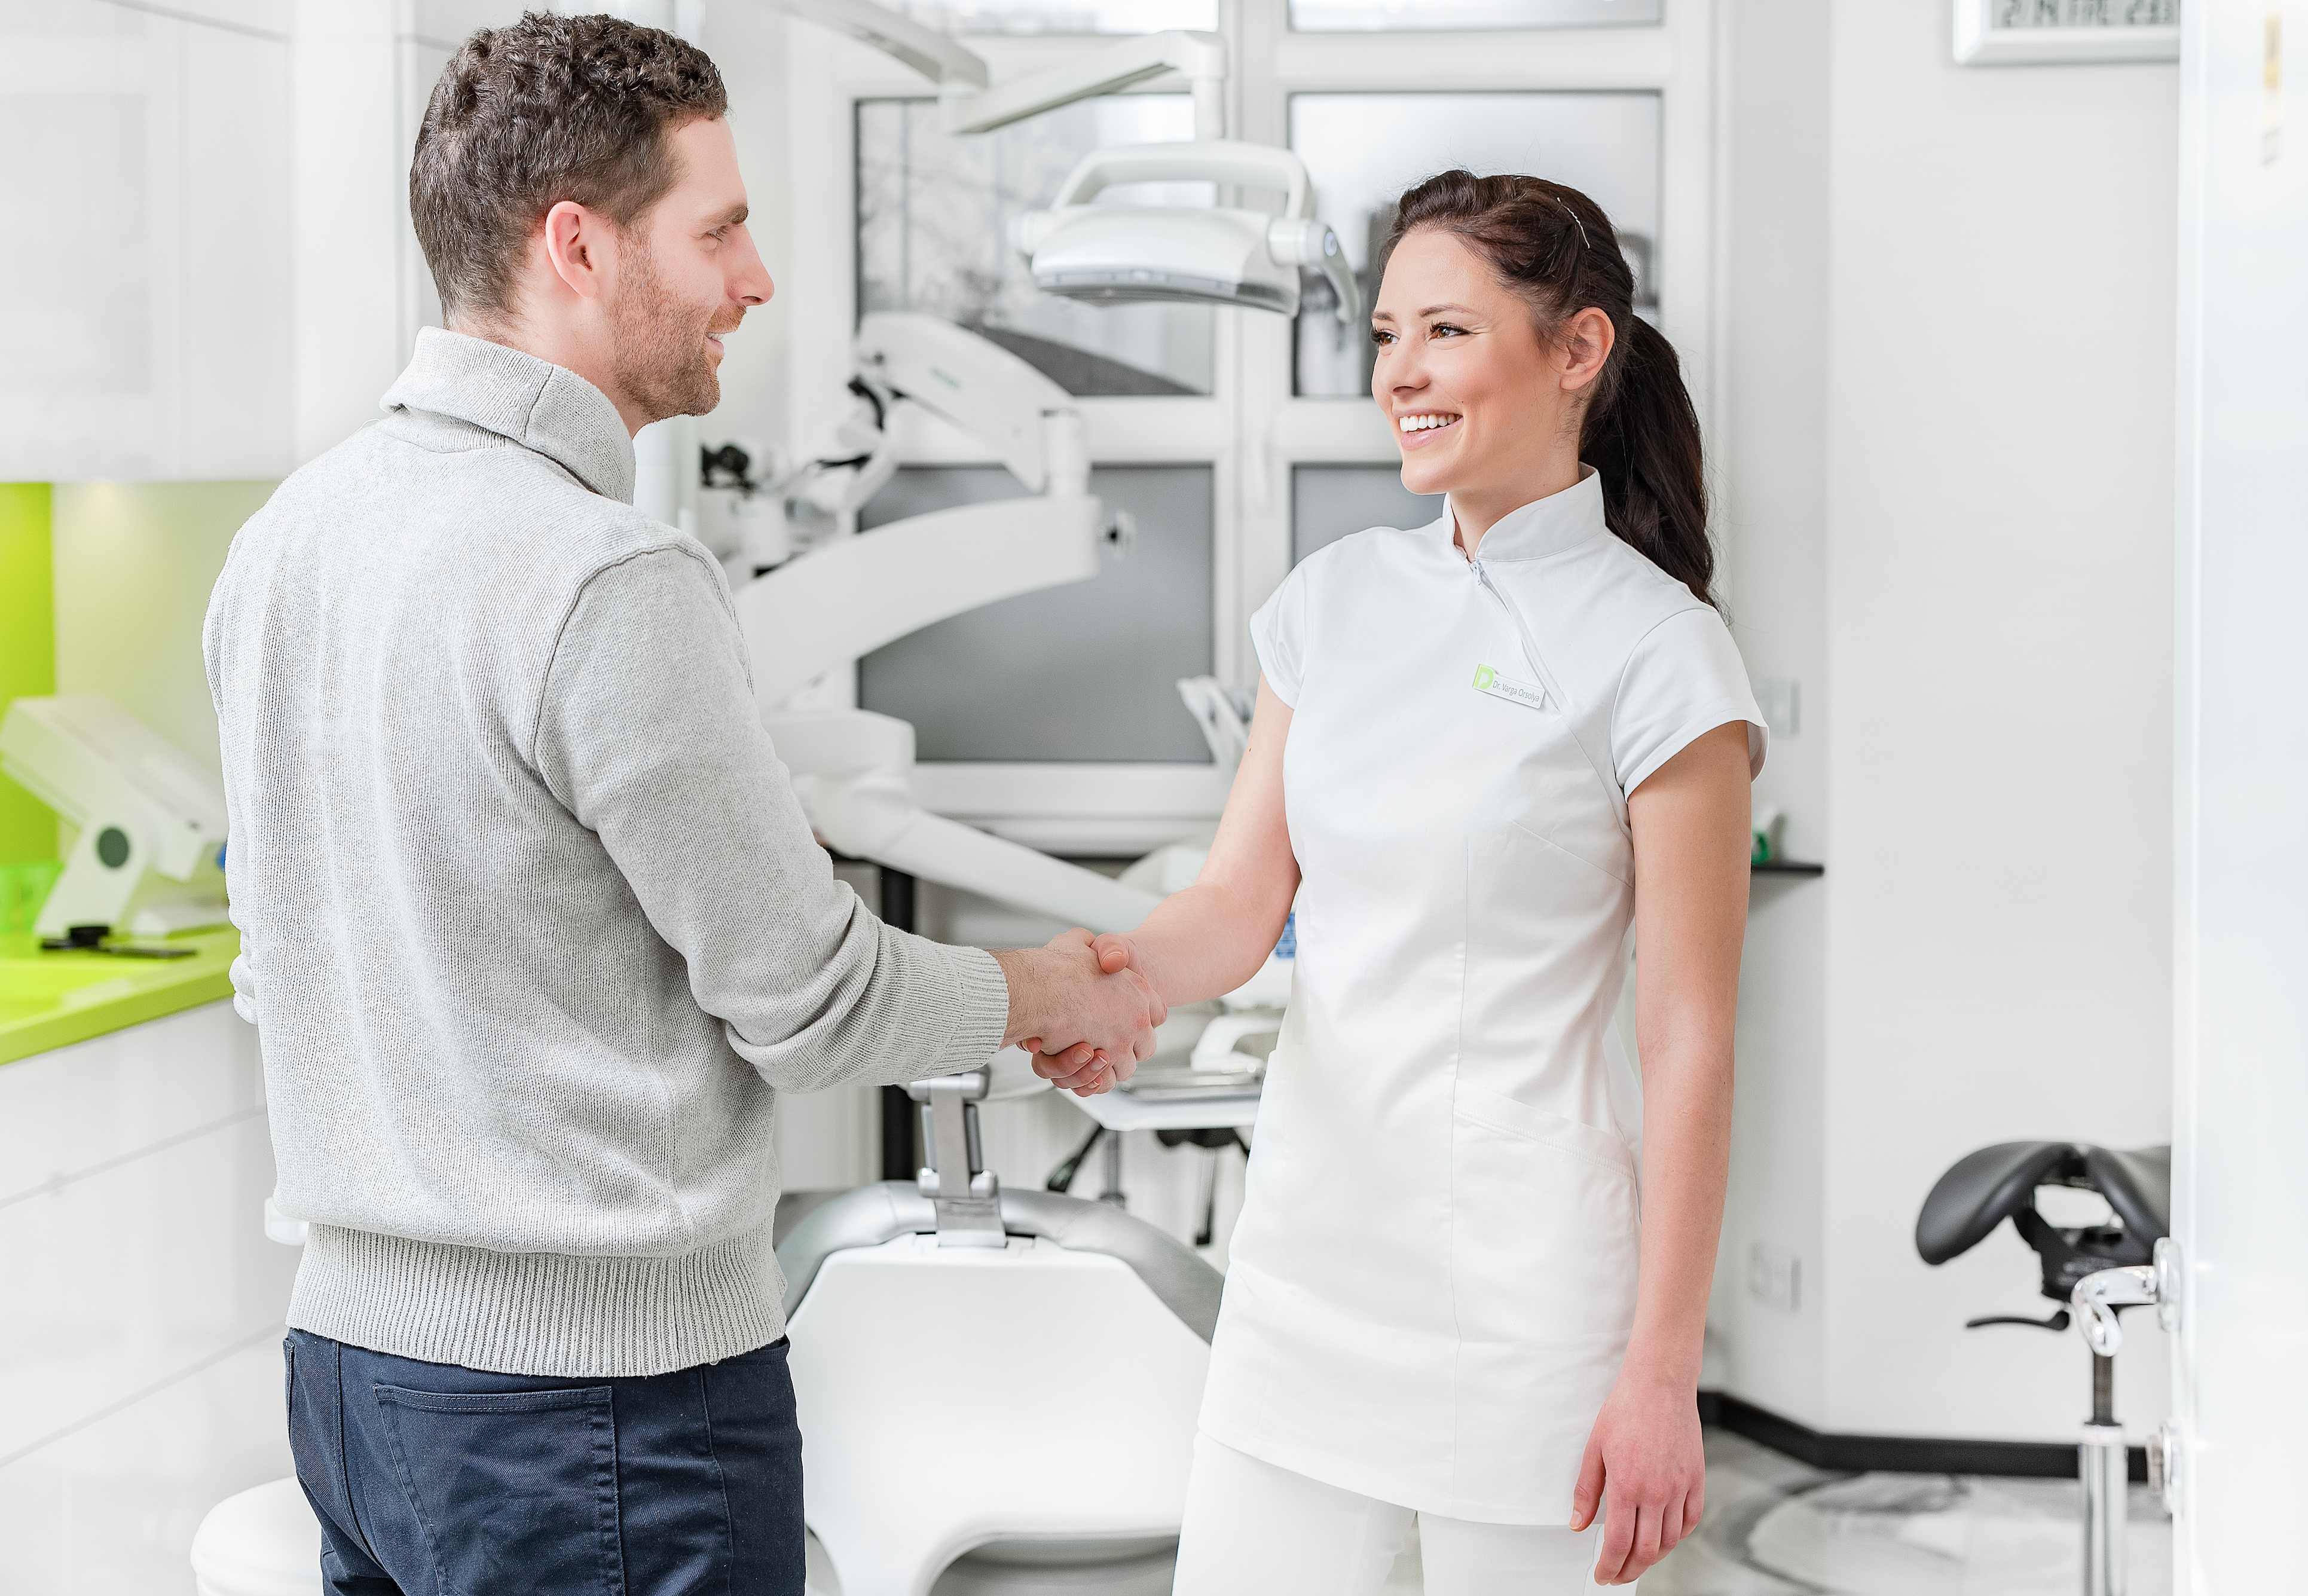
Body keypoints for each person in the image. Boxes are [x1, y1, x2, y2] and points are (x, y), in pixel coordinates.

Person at [203, 14, 1157, 1593]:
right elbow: (817, 1003)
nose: (756, 279)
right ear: (575, 244)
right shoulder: (603, 575)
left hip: (354, 1387)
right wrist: (1048, 989)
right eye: (719, 229)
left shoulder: (285, 544)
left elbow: (280, 958)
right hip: (599, 1410)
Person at [1028, 170, 1765, 1594]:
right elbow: (1237, 908)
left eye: (1442, 331)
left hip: (1529, 1301)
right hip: (1308, 1270)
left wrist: (1659, 1372)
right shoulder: (1332, 603)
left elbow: (1687, 1043)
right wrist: (1107, 981)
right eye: (1381, 335)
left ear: (1575, 351)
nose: (1400, 375)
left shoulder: (1660, 656)